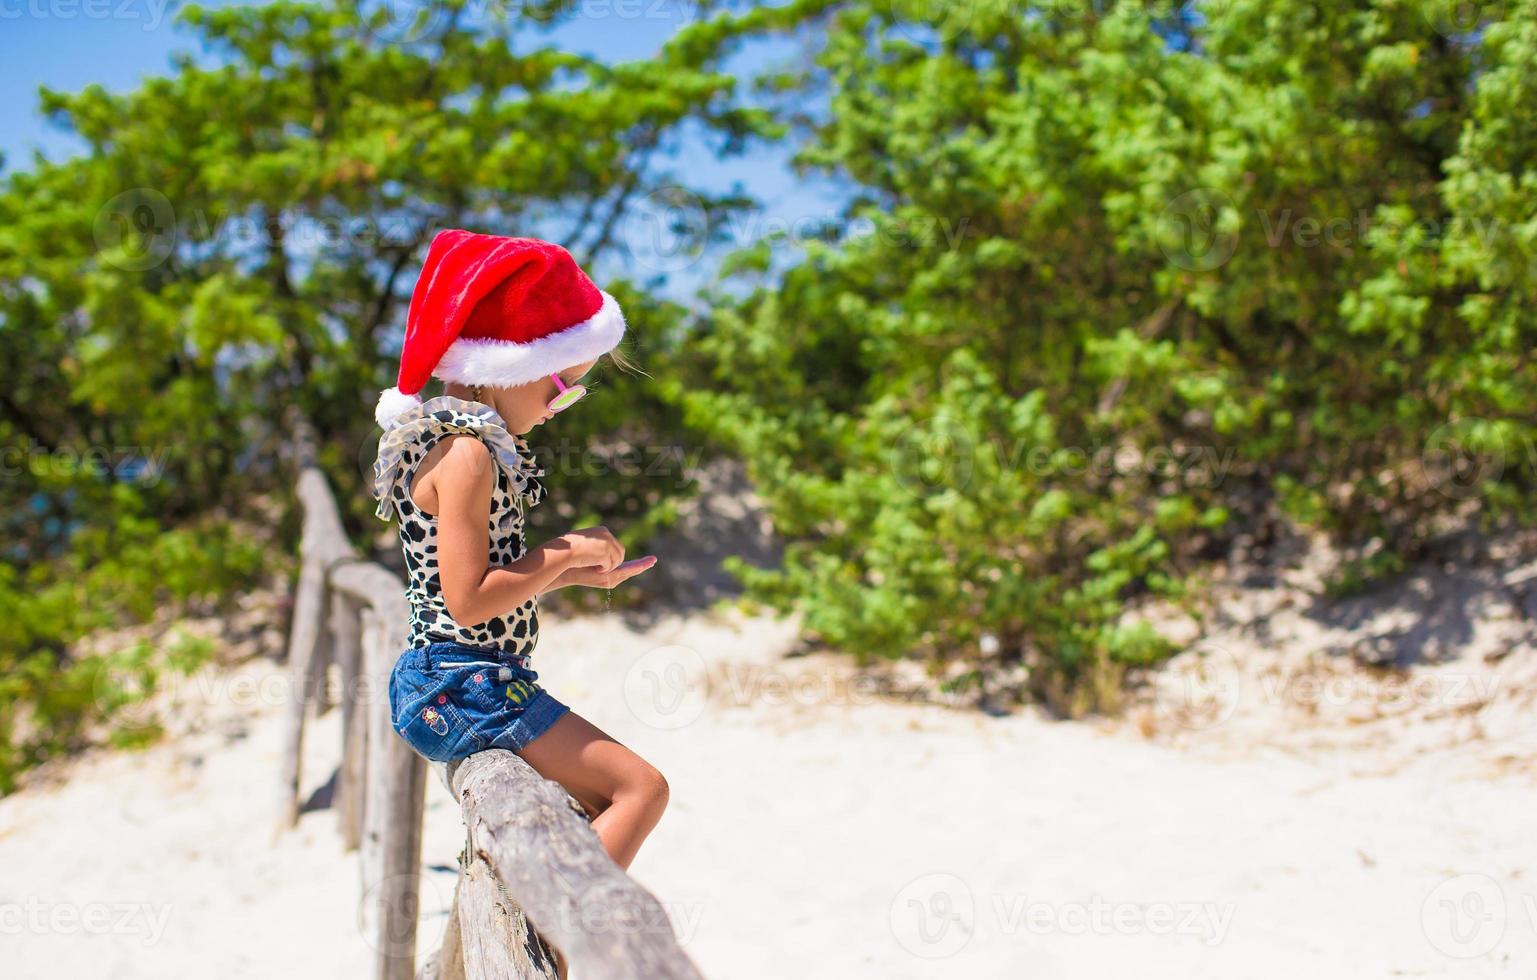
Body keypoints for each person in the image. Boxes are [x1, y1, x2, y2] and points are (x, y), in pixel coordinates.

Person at [370, 231, 667, 927]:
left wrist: (570, 580)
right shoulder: (468, 454)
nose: (559, 405)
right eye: (559, 386)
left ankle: (544, 934)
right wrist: (562, 554)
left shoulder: (453, 440)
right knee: (640, 790)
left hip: (459, 676)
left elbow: (474, 586)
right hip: (461, 681)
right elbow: (468, 604)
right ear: (496, 368)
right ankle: (559, 945)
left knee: (601, 801)